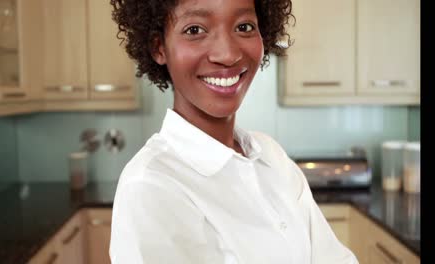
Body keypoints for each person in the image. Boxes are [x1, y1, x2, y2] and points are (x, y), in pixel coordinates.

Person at [108, 0, 359, 263]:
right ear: (159, 47)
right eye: (195, 30)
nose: (227, 54)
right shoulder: (150, 186)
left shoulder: (270, 154)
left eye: (244, 26)